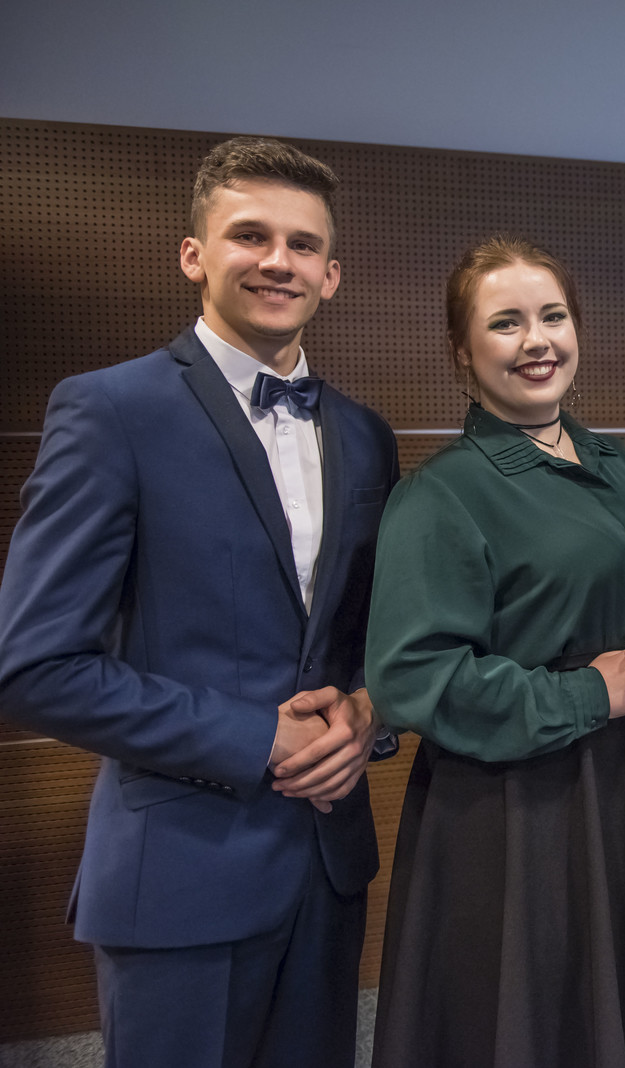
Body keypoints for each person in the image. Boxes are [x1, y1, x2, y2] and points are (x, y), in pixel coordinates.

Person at [0, 137, 398, 1066]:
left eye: (303, 244)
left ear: (331, 275)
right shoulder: (110, 411)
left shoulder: (366, 436)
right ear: (194, 255)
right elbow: (34, 668)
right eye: (250, 235)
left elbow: (371, 641)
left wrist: (370, 715)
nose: (278, 260)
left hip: (328, 869)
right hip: (177, 878)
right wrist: (258, 738)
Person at [366, 236, 625, 1067]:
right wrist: (591, 696)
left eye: (553, 316)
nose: (537, 341)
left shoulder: (623, 463)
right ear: (463, 353)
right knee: (535, 1022)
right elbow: (413, 677)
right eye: (506, 323)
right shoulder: (442, 494)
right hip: (516, 812)